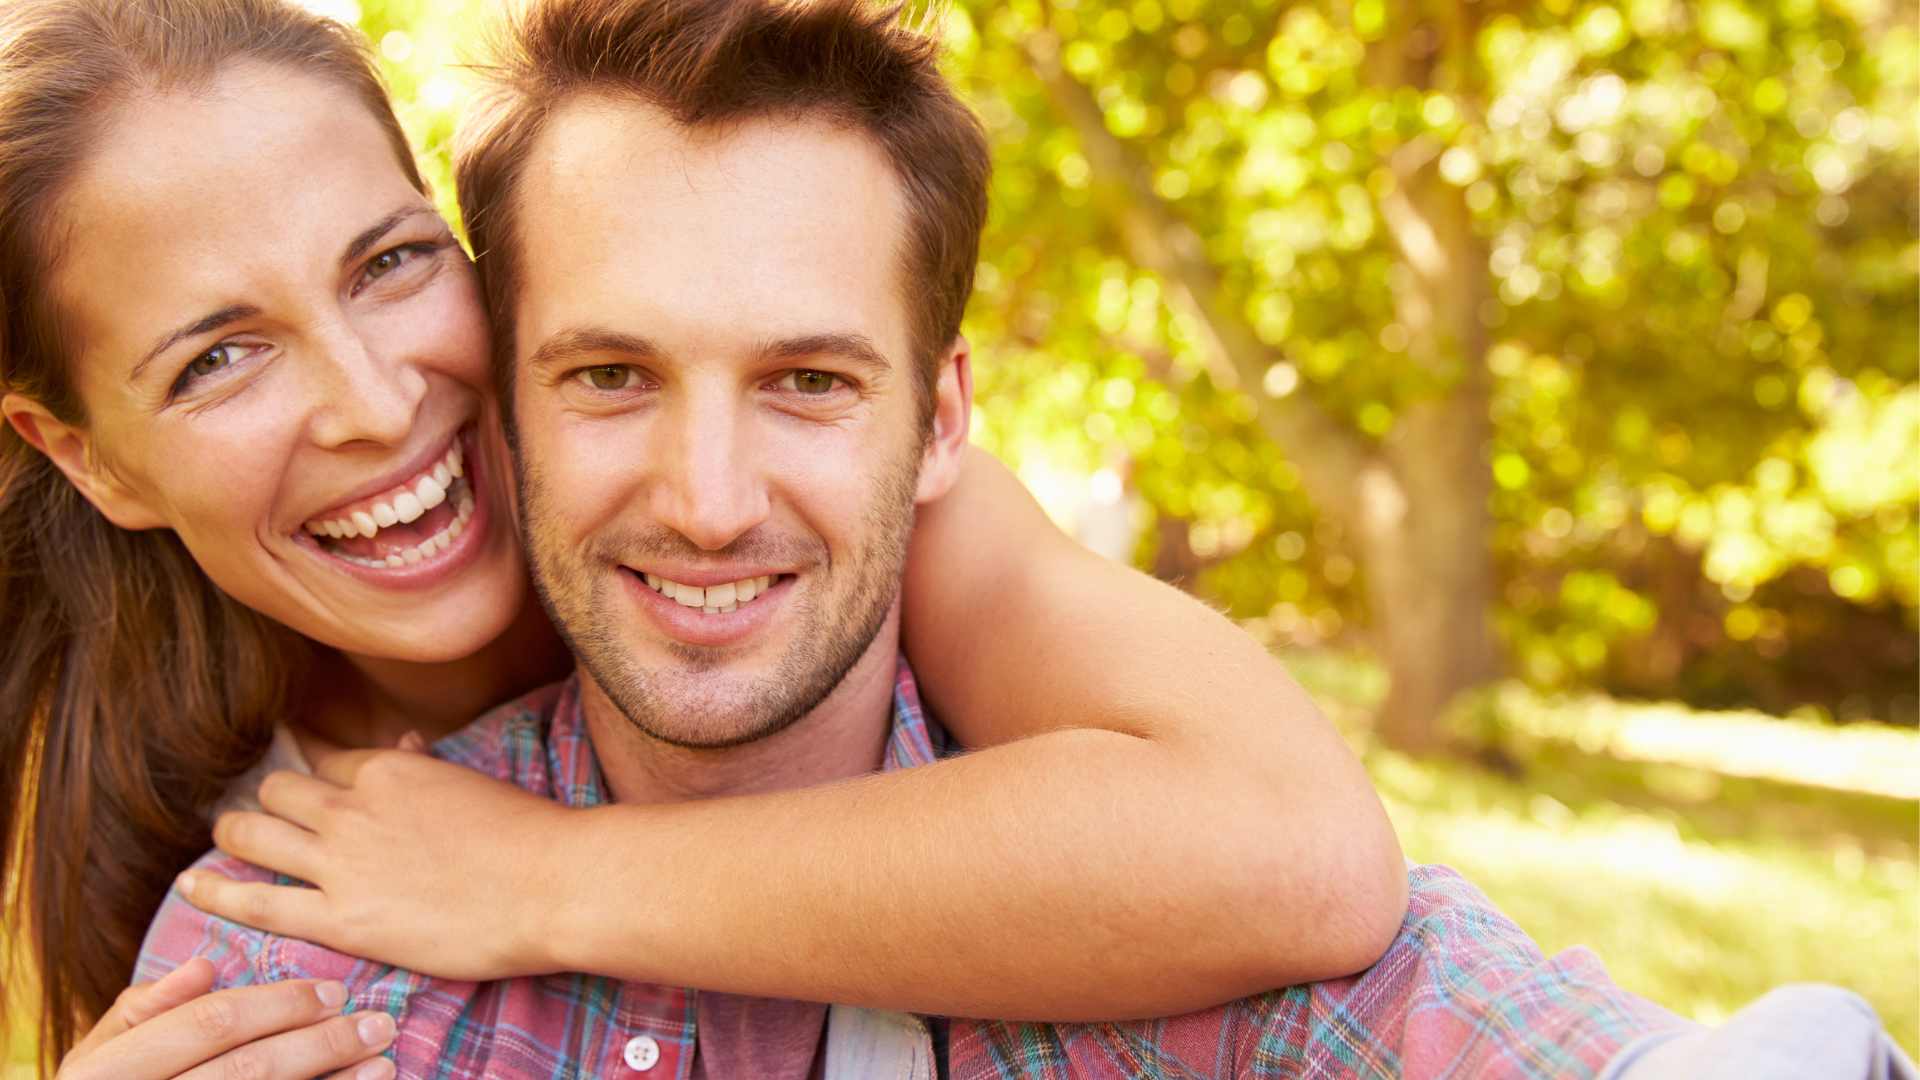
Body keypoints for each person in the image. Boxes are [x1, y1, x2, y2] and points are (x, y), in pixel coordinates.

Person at [135, 0, 1914, 1077]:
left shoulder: (1190, 946)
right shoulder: (301, 964)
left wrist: (538, 882)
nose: (707, 492)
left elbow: (1318, 879)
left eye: (813, 383)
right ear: (504, 409)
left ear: (948, 422)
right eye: (608, 374)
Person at [0, 1, 1408, 1077]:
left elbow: (1295, 848)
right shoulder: (178, 822)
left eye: (389, 263)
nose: (373, 407)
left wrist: (542, 881)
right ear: (84, 454)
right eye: (216, 361)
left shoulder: (820, 511)